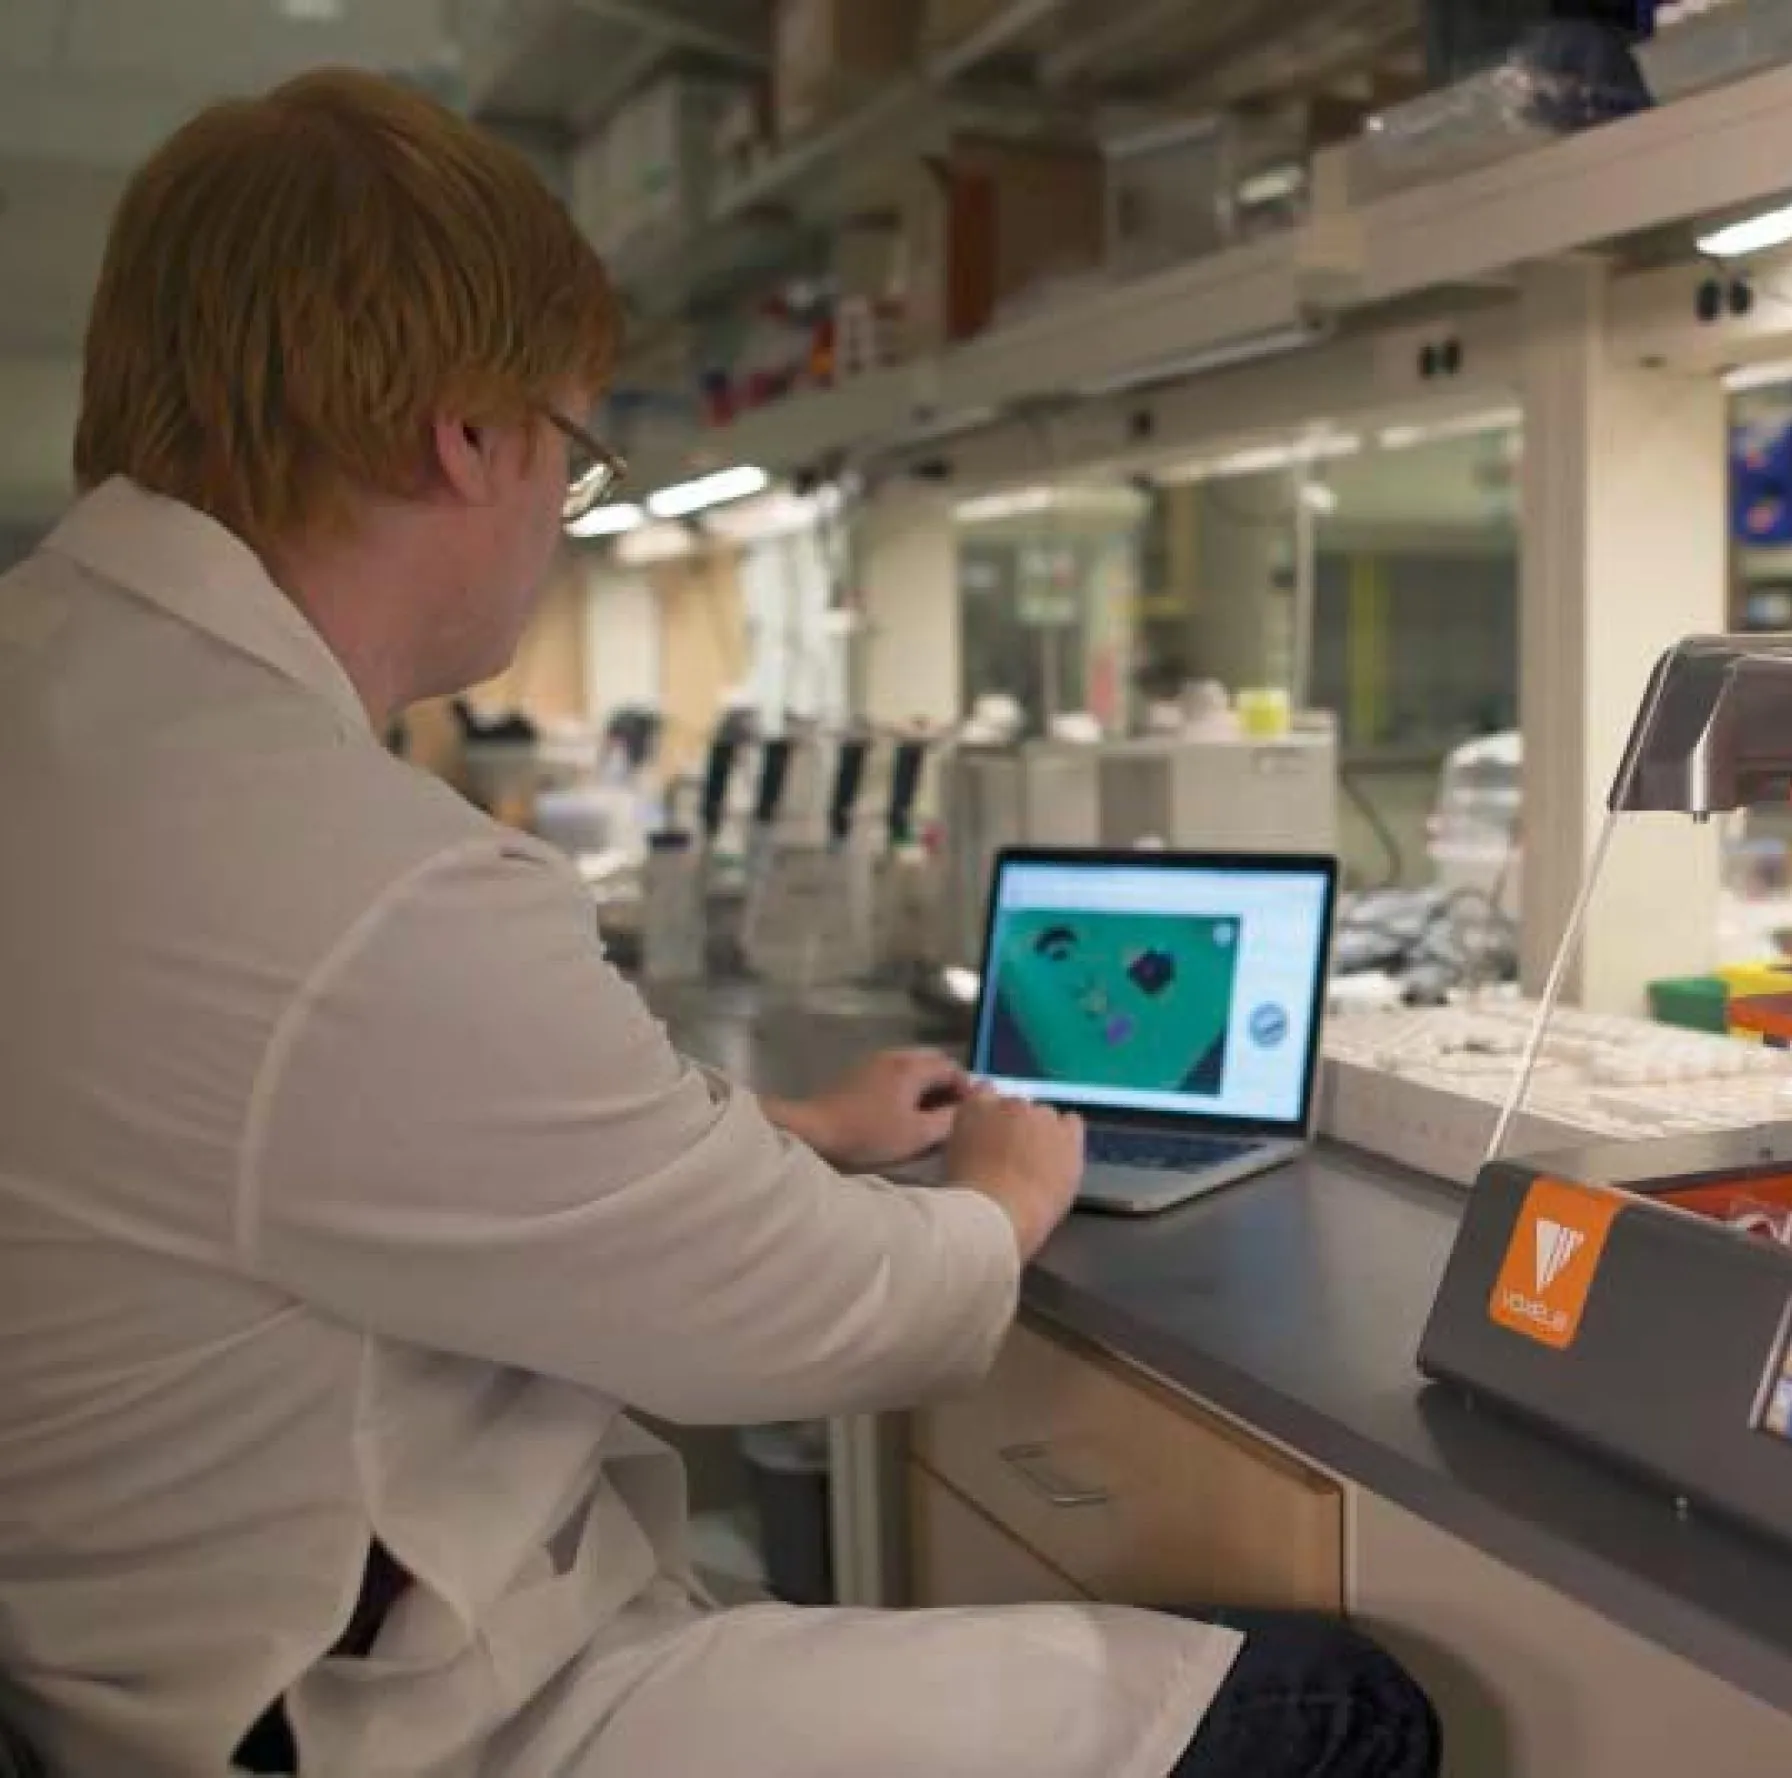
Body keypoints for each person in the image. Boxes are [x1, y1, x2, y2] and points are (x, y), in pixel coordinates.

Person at [0, 69, 1438, 1778]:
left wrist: (791, 1125)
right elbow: (827, 1317)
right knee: (1335, 1715)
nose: (558, 516)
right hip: (365, 1717)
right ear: (468, 432)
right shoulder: (356, 875)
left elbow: (318, 1124)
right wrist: (1002, 1192)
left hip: (108, 1652)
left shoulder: (75, 697)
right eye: (578, 456)